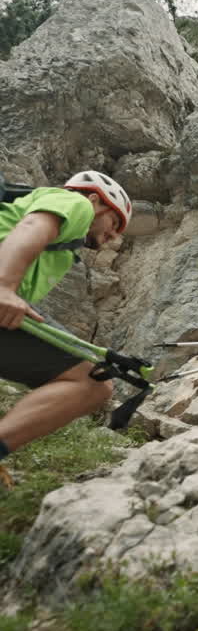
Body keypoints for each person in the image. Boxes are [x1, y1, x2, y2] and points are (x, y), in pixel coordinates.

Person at [0, 171, 132, 486]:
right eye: (114, 223)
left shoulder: (62, 250)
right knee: (93, 381)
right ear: (96, 200)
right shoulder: (75, 203)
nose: (113, 237)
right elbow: (32, 227)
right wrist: (4, 286)